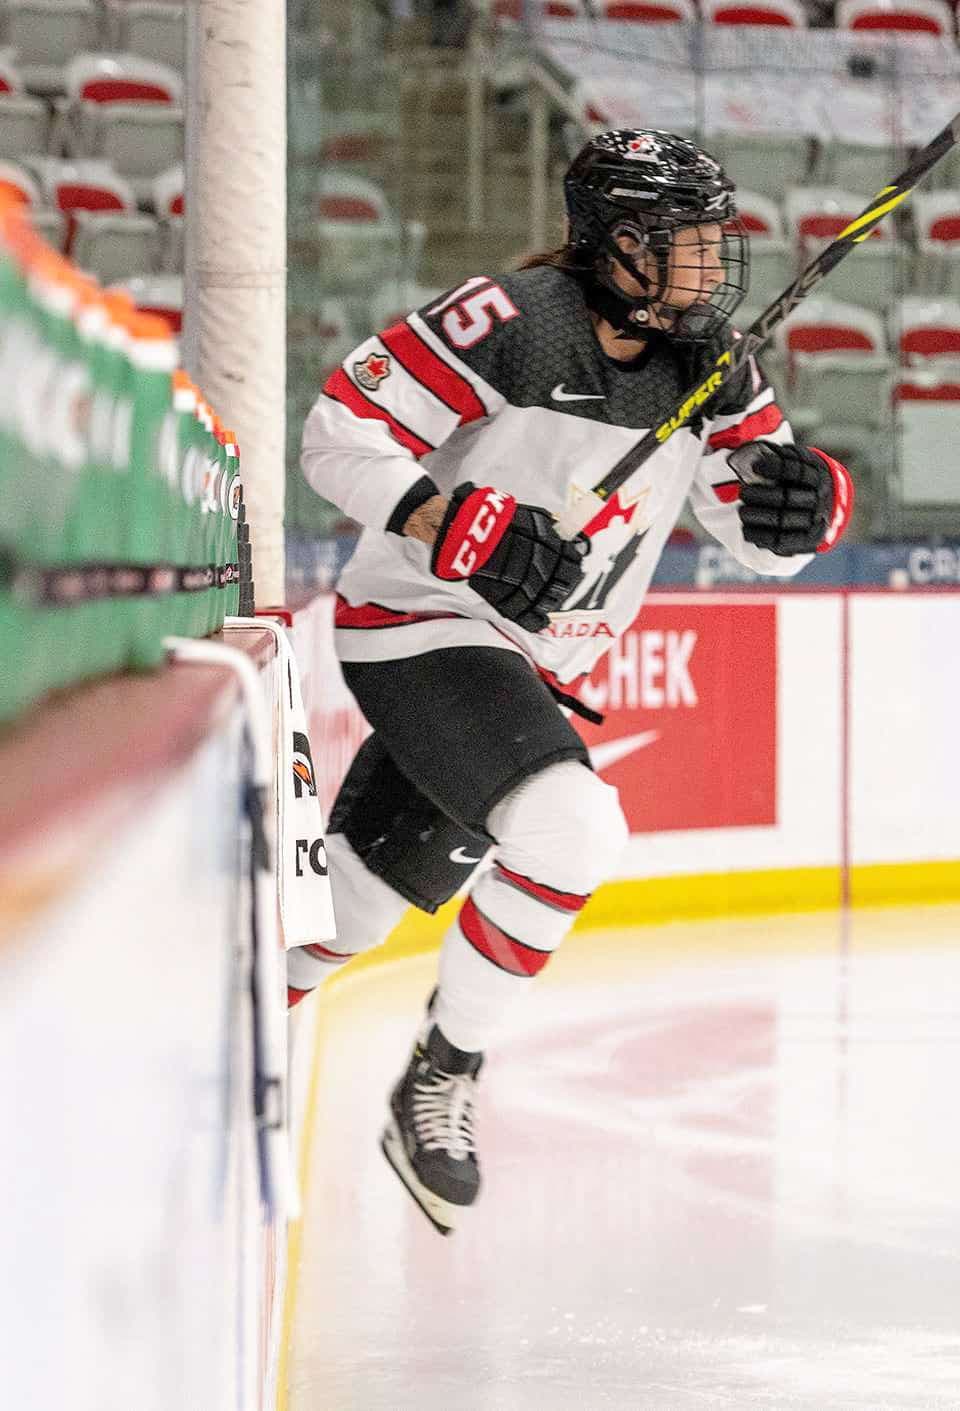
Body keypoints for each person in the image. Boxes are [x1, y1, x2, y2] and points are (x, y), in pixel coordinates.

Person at [294, 129, 853, 1236]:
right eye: (690, 240)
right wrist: (448, 521)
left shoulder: (715, 364)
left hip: (526, 668)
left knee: (351, 907)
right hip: (422, 623)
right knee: (574, 829)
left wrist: (807, 508)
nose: (713, 264)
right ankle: (444, 1072)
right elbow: (336, 432)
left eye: (716, 238)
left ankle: (219, 1032)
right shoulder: (507, 321)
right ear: (622, 244)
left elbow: (757, 533)